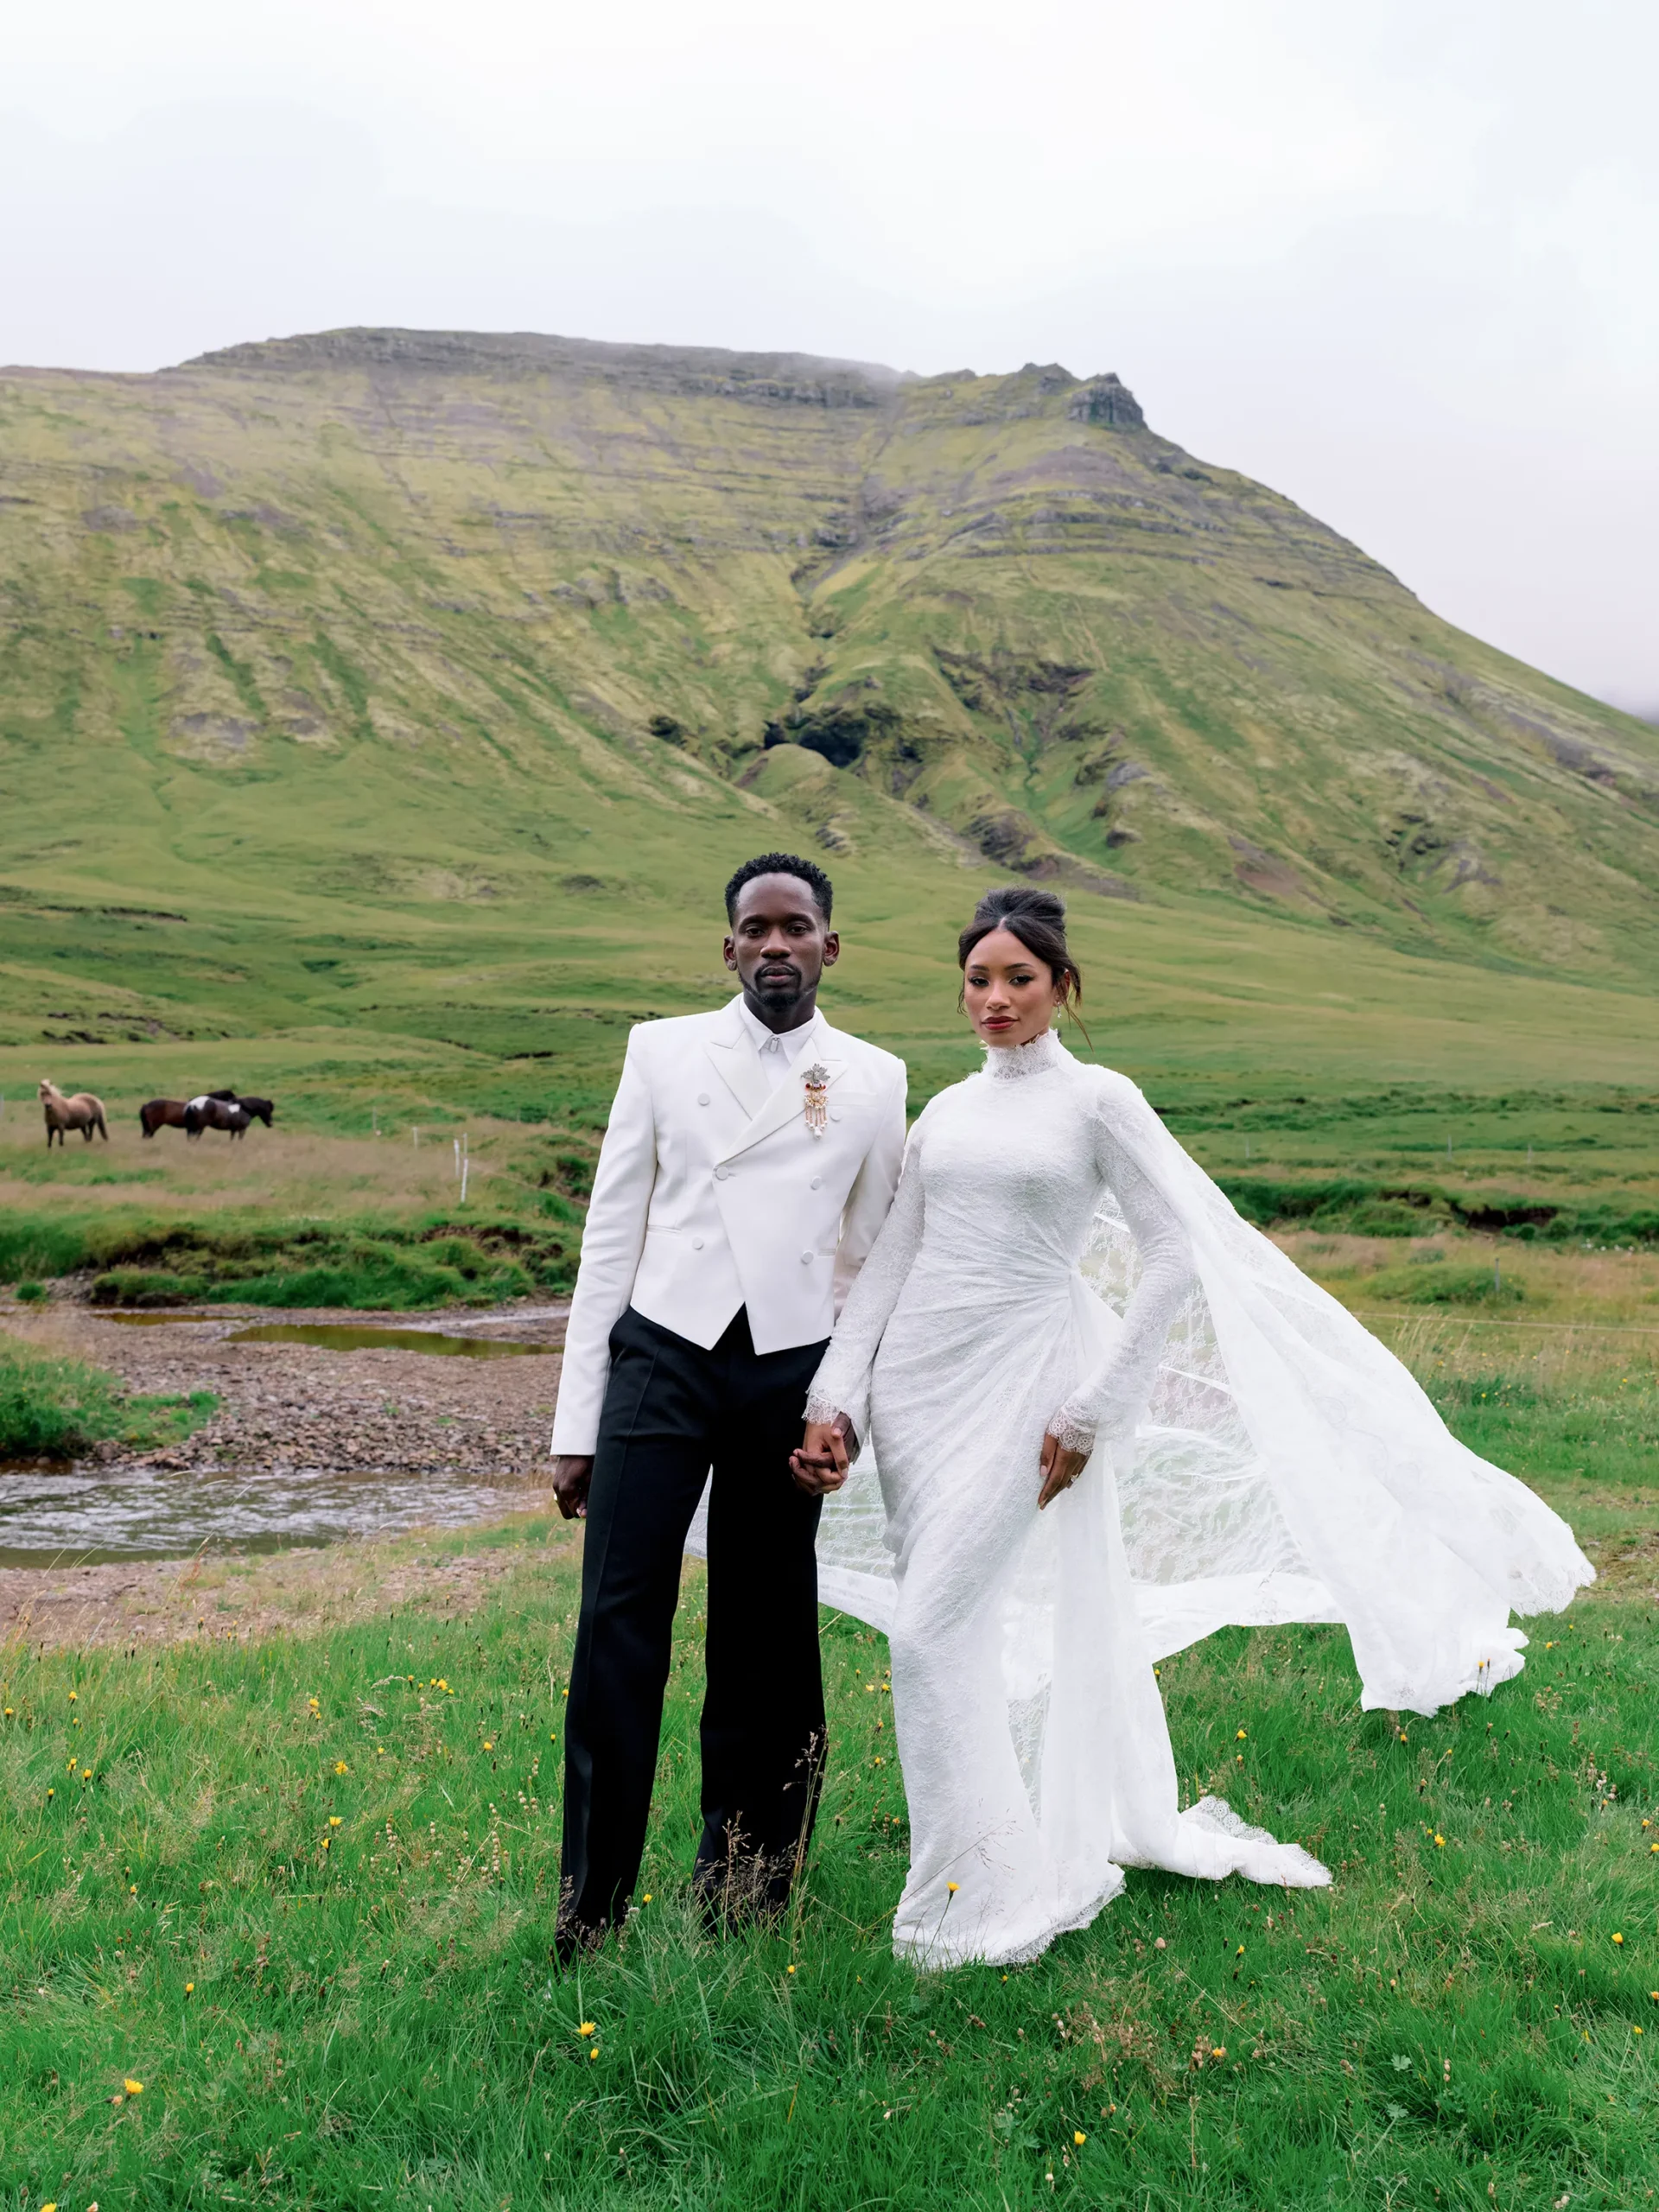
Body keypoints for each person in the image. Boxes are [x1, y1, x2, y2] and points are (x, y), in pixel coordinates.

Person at [793, 885, 1592, 1968]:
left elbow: (1171, 1250)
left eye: (1019, 978)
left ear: (1063, 986)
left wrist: (1093, 1407)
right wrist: (834, 1398)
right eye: (977, 979)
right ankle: (990, 1855)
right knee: (954, 1635)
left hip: (1031, 1382)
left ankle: (973, 1899)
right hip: (920, 1394)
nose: (995, 998)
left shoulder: (1099, 1101)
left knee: (928, 1632)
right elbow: (892, 1260)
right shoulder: (946, 1113)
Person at [550, 852, 906, 1950]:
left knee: (768, 1634)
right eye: (757, 928)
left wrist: (840, 1410)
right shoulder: (660, 1051)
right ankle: (589, 1909)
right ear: (729, 947)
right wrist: (576, 1425)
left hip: (786, 1377)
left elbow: (872, 1262)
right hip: (662, 1355)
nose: (776, 945)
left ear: (830, 946)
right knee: (618, 1625)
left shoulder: (875, 1077)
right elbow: (611, 1234)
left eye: (796, 927)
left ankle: (745, 1894)